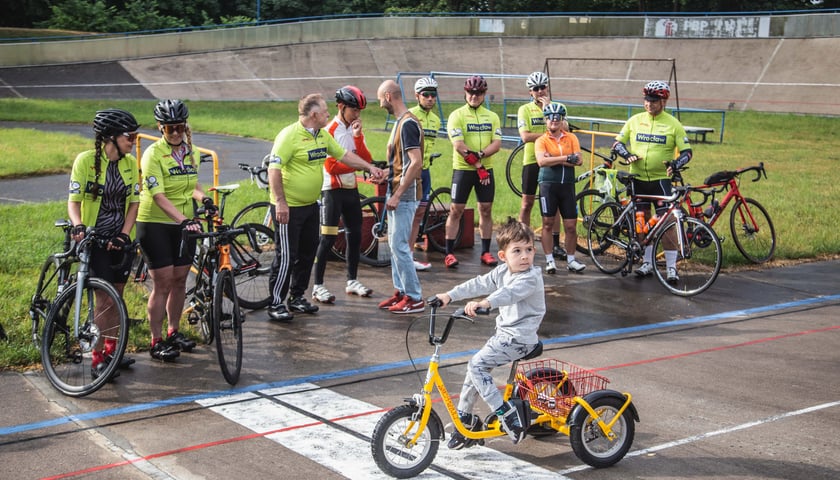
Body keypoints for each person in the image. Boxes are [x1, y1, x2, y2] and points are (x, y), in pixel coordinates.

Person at [267, 93, 384, 321]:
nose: (329, 114)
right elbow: (274, 170)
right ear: (313, 114)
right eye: (325, 111)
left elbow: (345, 156)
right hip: (288, 207)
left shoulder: (321, 135)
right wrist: (280, 202)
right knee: (286, 257)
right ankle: (275, 302)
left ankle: (297, 297)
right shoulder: (289, 136)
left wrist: (369, 168)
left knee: (308, 252)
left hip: (310, 205)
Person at [434, 217, 545, 448]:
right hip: (504, 336)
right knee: (475, 370)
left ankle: (507, 413)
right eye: (517, 251)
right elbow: (478, 283)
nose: (525, 256)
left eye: (529, 249)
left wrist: (484, 303)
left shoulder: (530, 278)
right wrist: (449, 295)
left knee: (476, 366)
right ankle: (465, 421)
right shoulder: (503, 271)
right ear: (503, 256)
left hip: (520, 339)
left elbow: (508, 294)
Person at [67, 108, 141, 378]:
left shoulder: (130, 163)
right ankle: (97, 357)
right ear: (111, 137)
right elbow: (73, 202)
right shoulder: (85, 161)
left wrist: (124, 234)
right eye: (129, 136)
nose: (133, 140)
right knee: (105, 300)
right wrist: (78, 225)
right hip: (94, 238)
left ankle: (112, 350)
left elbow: (134, 203)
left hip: (120, 239)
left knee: (117, 298)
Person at [137, 99, 212, 361]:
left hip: (184, 223)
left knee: (181, 279)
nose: (176, 132)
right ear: (160, 128)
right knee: (163, 282)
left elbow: (192, 185)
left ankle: (173, 331)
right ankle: (155, 340)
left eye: (180, 127)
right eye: (170, 129)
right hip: (155, 223)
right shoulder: (152, 155)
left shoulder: (190, 152)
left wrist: (204, 199)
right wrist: (183, 219)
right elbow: (158, 195)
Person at [611, 80, 693, 282]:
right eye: (647, 100)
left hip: (660, 181)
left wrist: (675, 164)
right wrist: (627, 154)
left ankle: (672, 267)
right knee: (643, 220)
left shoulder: (673, 124)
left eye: (654, 101)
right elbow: (617, 144)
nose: (649, 104)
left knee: (667, 222)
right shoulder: (635, 120)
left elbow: (688, 152)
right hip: (637, 179)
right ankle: (647, 262)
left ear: (664, 101)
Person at [311, 86, 375, 304]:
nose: (357, 115)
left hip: (350, 190)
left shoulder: (354, 129)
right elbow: (331, 167)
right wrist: (359, 167)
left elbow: (367, 157)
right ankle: (318, 285)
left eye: (360, 111)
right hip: (332, 191)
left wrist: (358, 138)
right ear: (341, 106)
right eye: (354, 110)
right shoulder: (329, 130)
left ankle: (352, 280)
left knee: (355, 236)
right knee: (327, 238)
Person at [375, 79, 426, 314]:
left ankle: (414, 297)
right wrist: (385, 173)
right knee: (395, 247)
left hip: (404, 195)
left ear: (388, 97)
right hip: (397, 191)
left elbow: (416, 163)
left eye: (379, 99)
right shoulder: (400, 122)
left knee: (400, 246)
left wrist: (397, 193)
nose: (378, 105)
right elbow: (401, 163)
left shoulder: (407, 124)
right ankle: (402, 291)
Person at [444, 75, 503, 268]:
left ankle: (486, 252)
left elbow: (497, 144)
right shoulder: (457, 115)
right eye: (470, 92)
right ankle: (449, 253)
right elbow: (459, 146)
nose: (474, 96)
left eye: (478, 93)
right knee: (456, 210)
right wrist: (479, 166)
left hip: (486, 169)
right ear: (465, 92)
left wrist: (479, 154)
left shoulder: (492, 117)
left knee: (485, 210)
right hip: (464, 170)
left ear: (484, 94)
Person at [534, 103, 587, 273]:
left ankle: (571, 260)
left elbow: (578, 160)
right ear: (546, 120)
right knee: (548, 223)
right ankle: (549, 260)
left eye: (557, 118)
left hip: (567, 186)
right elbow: (542, 162)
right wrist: (566, 158)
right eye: (550, 118)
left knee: (571, 225)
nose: (554, 121)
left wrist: (554, 158)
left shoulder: (571, 138)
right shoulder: (541, 140)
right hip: (548, 185)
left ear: (562, 120)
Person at [517, 71, 565, 257]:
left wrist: (549, 109)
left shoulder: (556, 107)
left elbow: (565, 128)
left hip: (553, 159)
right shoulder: (525, 110)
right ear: (530, 92)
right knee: (527, 203)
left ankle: (555, 243)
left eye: (542, 87)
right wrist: (550, 134)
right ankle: (523, 241)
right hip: (532, 160)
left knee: (555, 206)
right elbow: (525, 136)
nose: (539, 91)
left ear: (548, 87)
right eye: (535, 89)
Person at [407, 77, 441, 272]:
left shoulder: (435, 120)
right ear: (417, 96)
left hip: (425, 171)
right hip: (411, 171)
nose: (430, 98)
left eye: (433, 95)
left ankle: (410, 255)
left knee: (419, 214)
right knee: (408, 215)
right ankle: (403, 255)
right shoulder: (410, 115)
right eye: (426, 95)